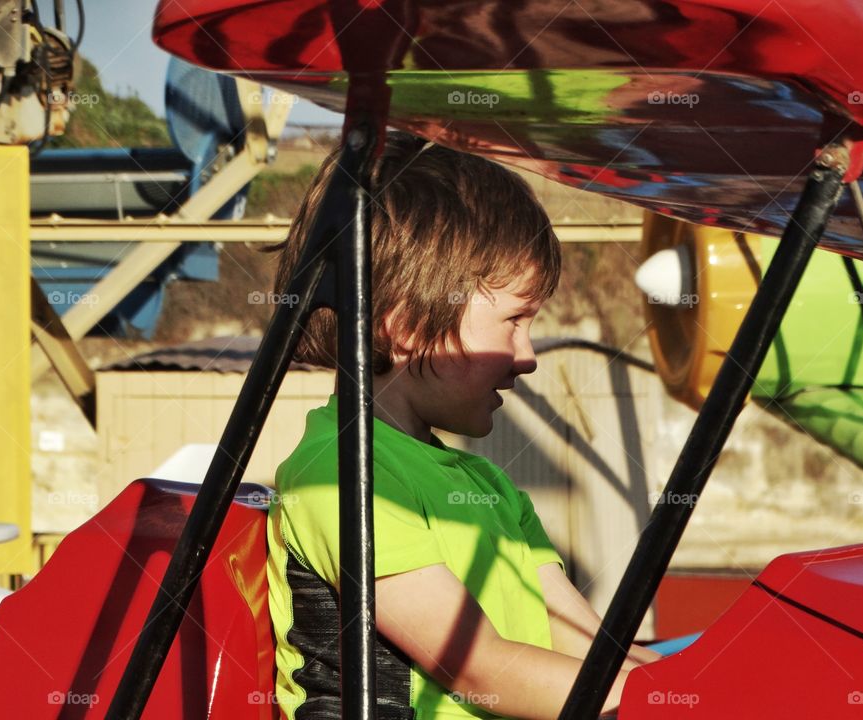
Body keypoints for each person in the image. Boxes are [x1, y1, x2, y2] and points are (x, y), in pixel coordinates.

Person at [266, 131, 658, 720]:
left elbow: (585, 644)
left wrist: (694, 687)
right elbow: (481, 667)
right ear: (407, 325)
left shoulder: (489, 487)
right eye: (513, 320)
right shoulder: (342, 474)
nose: (527, 355)